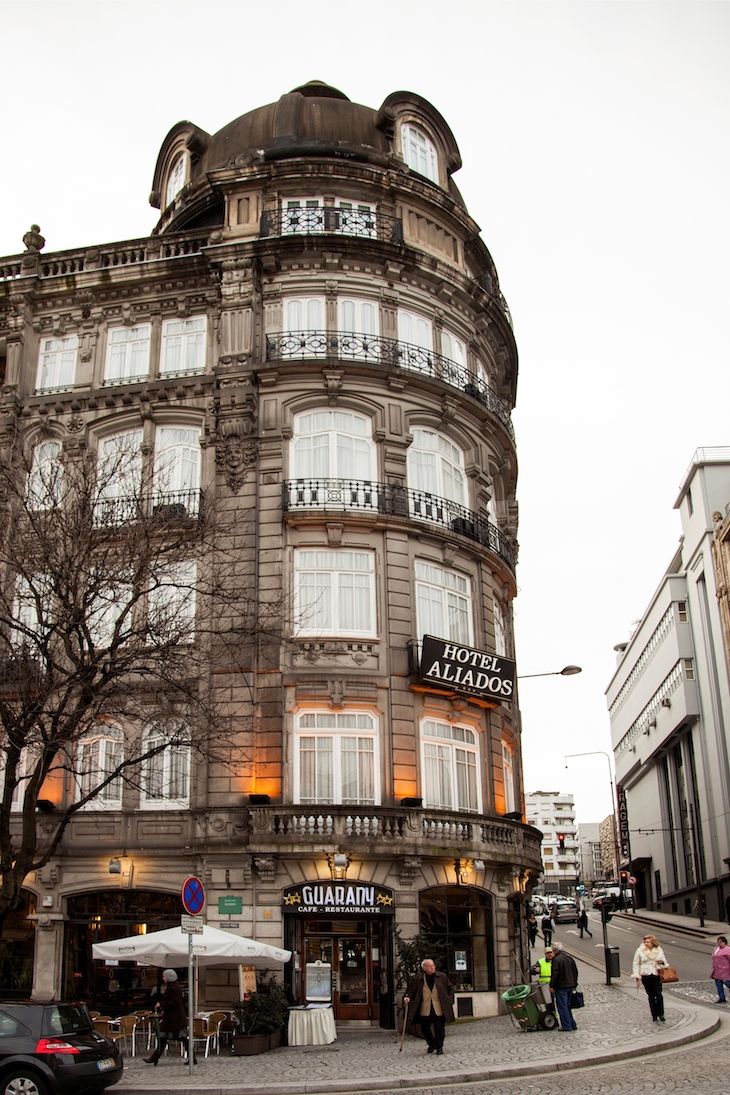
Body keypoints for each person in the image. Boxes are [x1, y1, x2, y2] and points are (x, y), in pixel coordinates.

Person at [143, 969, 197, 1065]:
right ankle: (155, 1057)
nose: (163, 978)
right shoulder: (174, 987)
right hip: (173, 1019)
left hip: (174, 1019)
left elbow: (175, 1002)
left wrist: (162, 1004)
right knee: (166, 1038)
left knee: (180, 1038)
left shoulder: (173, 988)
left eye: (164, 977)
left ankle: (192, 1058)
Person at [403, 958, 455, 1056]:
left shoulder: (442, 977)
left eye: (433, 965)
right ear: (424, 968)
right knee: (425, 1028)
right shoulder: (419, 979)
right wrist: (408, 997)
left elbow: (450, 988)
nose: (433, 967)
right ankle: (432, 1044)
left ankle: (439, 1047)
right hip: (425, 1007)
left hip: (439, 1007)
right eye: (430, 966)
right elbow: (412, 990)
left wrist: (449, 1000)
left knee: (439, 1028)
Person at [632, 934, 668, 1021]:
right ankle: (654, 1015)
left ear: (653, 943)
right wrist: (637, 975)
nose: (646, 943)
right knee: (651, 995)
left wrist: (662, 962)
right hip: (645, 974)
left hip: (656, 974)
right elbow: (636, 963)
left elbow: (665, 961)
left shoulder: (659, 950)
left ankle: (661, 1014)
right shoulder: (639, 950)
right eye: (645, 942)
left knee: (658, 994)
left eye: (648, 942)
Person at [549, 941, 578, 1031]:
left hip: (561, 986)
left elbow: (555, 974)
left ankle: (567, 1026)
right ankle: (572, 1024)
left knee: (562, 1007)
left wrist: (551, 986)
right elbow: (575, 972)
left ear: (554, 950)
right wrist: (575, 983)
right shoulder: (569, 958)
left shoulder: (556, 960)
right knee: (568, 1006)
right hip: (570, 985)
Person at [710, 935, 730, 1003]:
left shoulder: (727, 949)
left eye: (720, 942)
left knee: (727, 982)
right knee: (718, 983)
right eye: (718, 941)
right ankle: (721, 997)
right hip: (717, 970)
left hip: (725, 970)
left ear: (724, 942)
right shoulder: (716, 949)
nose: (719, 943)